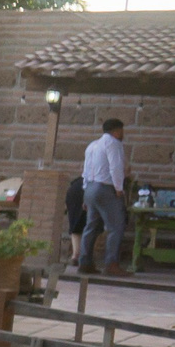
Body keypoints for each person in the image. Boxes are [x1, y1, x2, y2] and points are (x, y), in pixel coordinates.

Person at [80, 117, 129, 275]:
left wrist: (85, 193)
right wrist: (119, 188)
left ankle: (85, 263)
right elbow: (116, 166)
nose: (123, 134)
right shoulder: (113, 143)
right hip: (106, 188)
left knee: (91, 227)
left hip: (91, 187)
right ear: (116, 131)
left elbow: (85, 171)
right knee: (116, 227)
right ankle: (111, 264)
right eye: (122, 131)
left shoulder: (92, 145)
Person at [64, 172, 89, 270]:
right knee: (92, 226)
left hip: (74, 189)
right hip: (89, 188)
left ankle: (75, 255)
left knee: (75, 226)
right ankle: (85, 256)